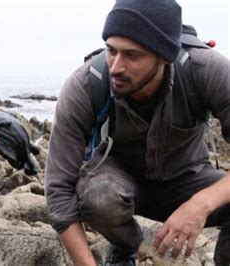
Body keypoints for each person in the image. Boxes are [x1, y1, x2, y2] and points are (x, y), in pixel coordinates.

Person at [45, 0, 229, 265]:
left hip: (189, 178)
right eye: (111, 50)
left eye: (132, 55)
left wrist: (200, 204)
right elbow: (58, 193)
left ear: (165, 56)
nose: (116, 67)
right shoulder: (85, 85)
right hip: (116, 183)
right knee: (100, 197)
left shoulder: (206, 70)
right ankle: (125, 246)